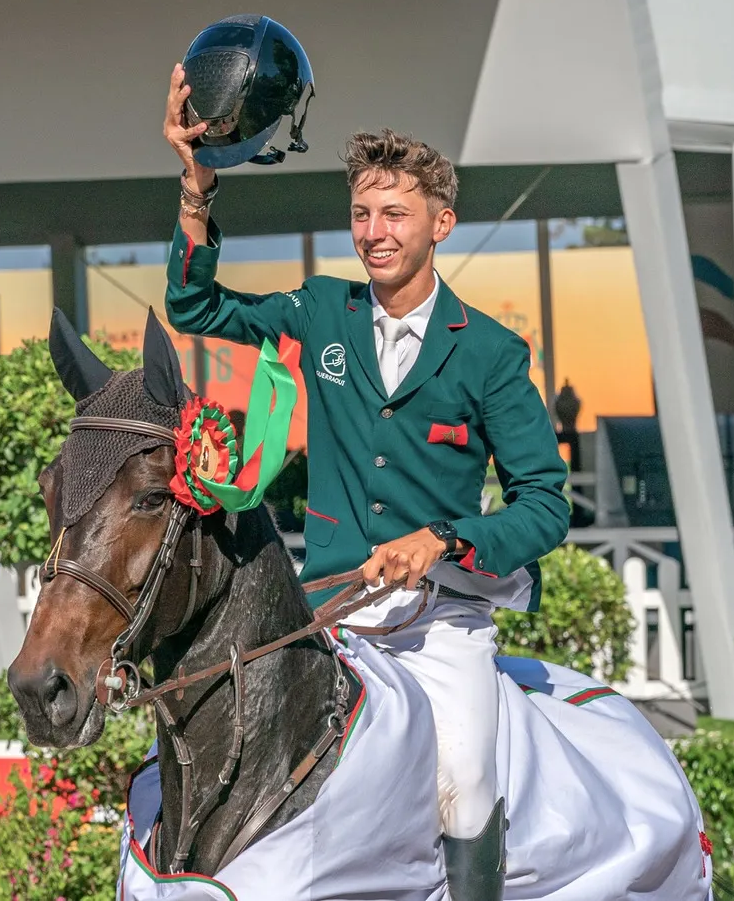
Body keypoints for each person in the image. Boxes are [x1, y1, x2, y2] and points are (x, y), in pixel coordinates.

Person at [162, 66, 570, 900]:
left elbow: (546, 505)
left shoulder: (490, 352)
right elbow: (196, 310)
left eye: (394, 214)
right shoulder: (321, 312)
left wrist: (448, 539)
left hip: (441, 619)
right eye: (361, 214)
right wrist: (197, 189)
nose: (373, 232)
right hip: (329, 609)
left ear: (440, 224)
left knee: (463, 784)